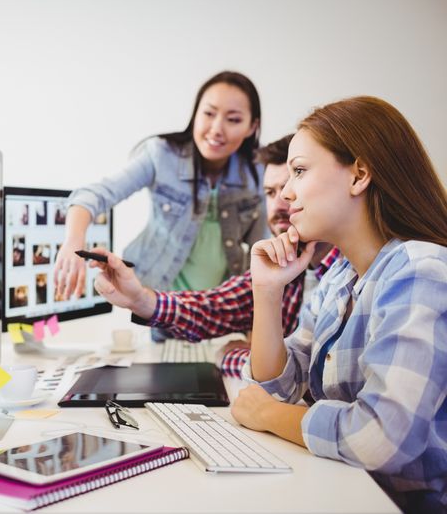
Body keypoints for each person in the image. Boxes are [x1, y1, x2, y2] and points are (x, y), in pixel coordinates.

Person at [229, 97, 446, 511]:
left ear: (359, 175)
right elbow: (277, 385)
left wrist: (270, 416)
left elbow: (380, 438)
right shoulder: (341, 277)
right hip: (351, 491)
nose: (287, 193)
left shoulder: (421, 270)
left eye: (299, 171)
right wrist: (267, 292)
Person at [107, 135, 339, 377]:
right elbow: (215, 307)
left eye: (290, 187)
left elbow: (302, 376)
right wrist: (139, 298)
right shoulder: (289, 264)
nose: (280, 203)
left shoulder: (352, 271)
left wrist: (232, 356)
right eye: (270, 193)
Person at [54, 71, 267, 306]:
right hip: (154, 303)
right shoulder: (162, 155)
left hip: (218, 312)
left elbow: (265, 250)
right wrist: (73, 240)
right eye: (208, 113)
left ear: (251, 127)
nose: (217, 128)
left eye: (233, 119)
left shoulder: (259, 173)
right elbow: (94, 194)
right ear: (195, 113)